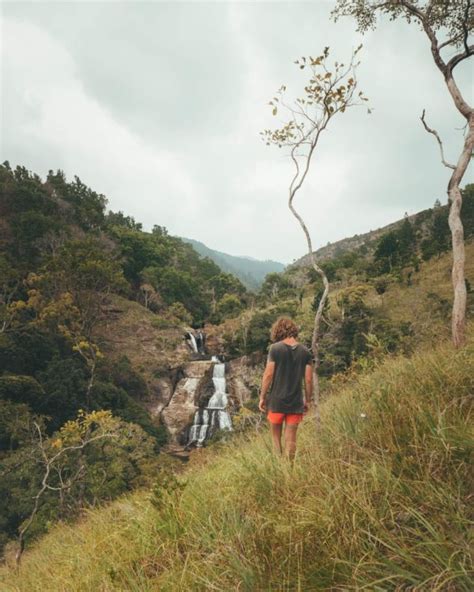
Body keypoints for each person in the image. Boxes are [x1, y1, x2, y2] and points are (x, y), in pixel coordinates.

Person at [259, 317, 313, 462]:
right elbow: (308, 379)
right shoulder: (305, 351)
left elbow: (268, 374)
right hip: (295, 402)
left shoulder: (275, 349)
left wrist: (262, 397)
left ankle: (278, 467)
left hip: (276, 401)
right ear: (294, 330)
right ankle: (288, 469)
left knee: (276, 437)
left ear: (277, 331)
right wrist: (307, 400)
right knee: (291, 439)